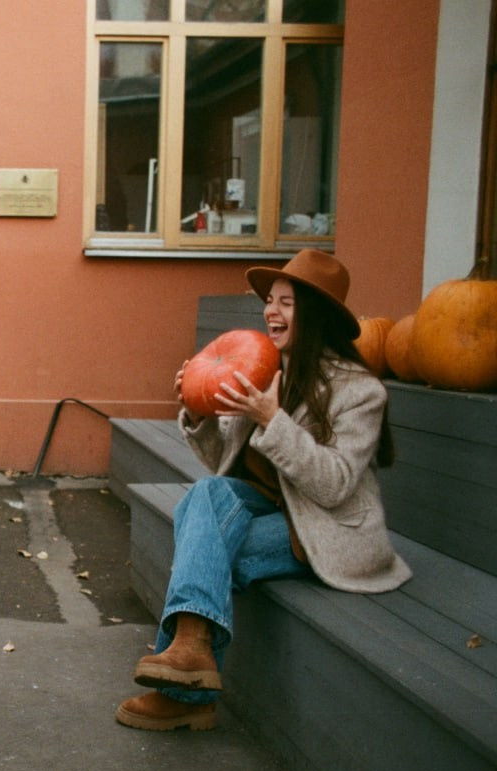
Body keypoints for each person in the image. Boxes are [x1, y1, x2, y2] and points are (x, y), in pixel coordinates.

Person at [115, 249, 411, 731]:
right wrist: (201, 411)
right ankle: (190, 663)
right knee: (206, 496)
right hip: (258, 506)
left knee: (206, 546)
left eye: (287, 303)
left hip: (320, 527)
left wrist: (272, 420)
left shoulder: (359, 391)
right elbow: (223, 464)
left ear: (314, 314)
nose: (271, 311)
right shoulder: (261, 365)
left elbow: (335, 485)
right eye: (270, 301)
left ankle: (186, 688)